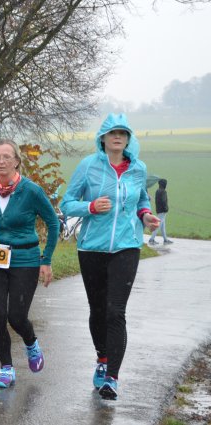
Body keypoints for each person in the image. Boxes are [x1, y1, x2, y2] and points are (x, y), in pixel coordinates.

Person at [60, 113, 160, 400]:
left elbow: (142, 199)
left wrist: (145, 215)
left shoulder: (138, 168)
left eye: (123, 133)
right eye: (113, 132)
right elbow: (67, 204)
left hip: (127, 246)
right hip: (92, 247)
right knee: (98, 310)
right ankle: (102, 358)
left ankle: (112, 378)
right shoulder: (88, 166)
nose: (118, 137)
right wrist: (90, 207)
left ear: (128, 139)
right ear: (102, 138)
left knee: (116, 311)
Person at [0, 139, 59, 388]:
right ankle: (6, 368)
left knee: (16, 317)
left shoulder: (31, 191)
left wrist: (46, 259)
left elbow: (53, 222)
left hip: (25, 259)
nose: (1, 161)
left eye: (6, 157)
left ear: (16, 161)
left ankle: (31, 343)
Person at [148, 179, 173, 245]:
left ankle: (165, 239)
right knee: (158, 225)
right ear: (164, 184)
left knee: (162, 226)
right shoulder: (163, 192)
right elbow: (163, 201)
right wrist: (166, 208)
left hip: (158, 210)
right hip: (163, 210)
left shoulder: (157, 191)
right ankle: (151, 239)